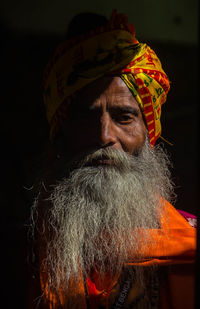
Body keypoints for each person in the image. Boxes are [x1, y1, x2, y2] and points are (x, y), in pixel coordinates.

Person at [28, 10, 196, 309]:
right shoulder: (21, 255)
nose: (104, 135)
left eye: (124, 117)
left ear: (149, 133)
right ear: (61, 132)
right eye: (85, 118)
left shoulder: (189, 245)